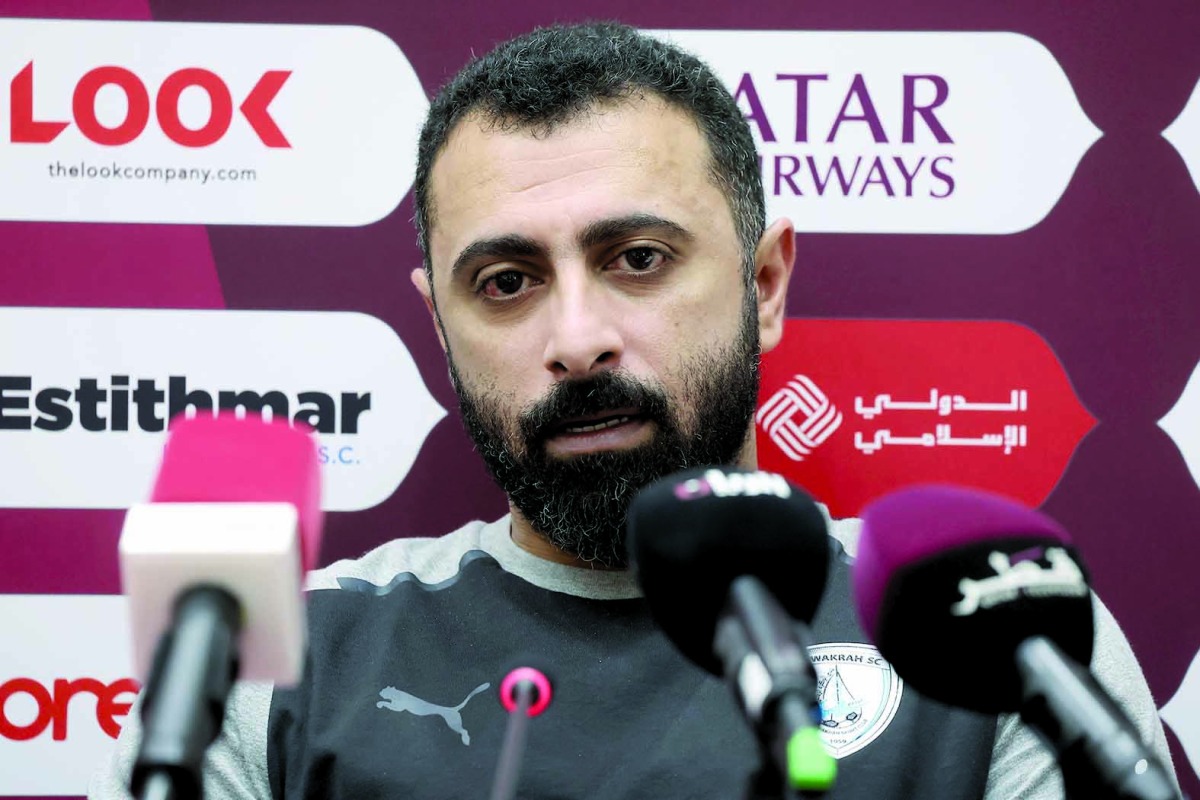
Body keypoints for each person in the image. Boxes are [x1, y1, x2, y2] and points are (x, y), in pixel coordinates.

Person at [92, 21, 1177, 799]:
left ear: (764, 284)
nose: (577, 339)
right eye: (506, 281)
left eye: (639, 258)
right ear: (438, 323)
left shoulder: (998, 630)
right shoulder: (279, 658)